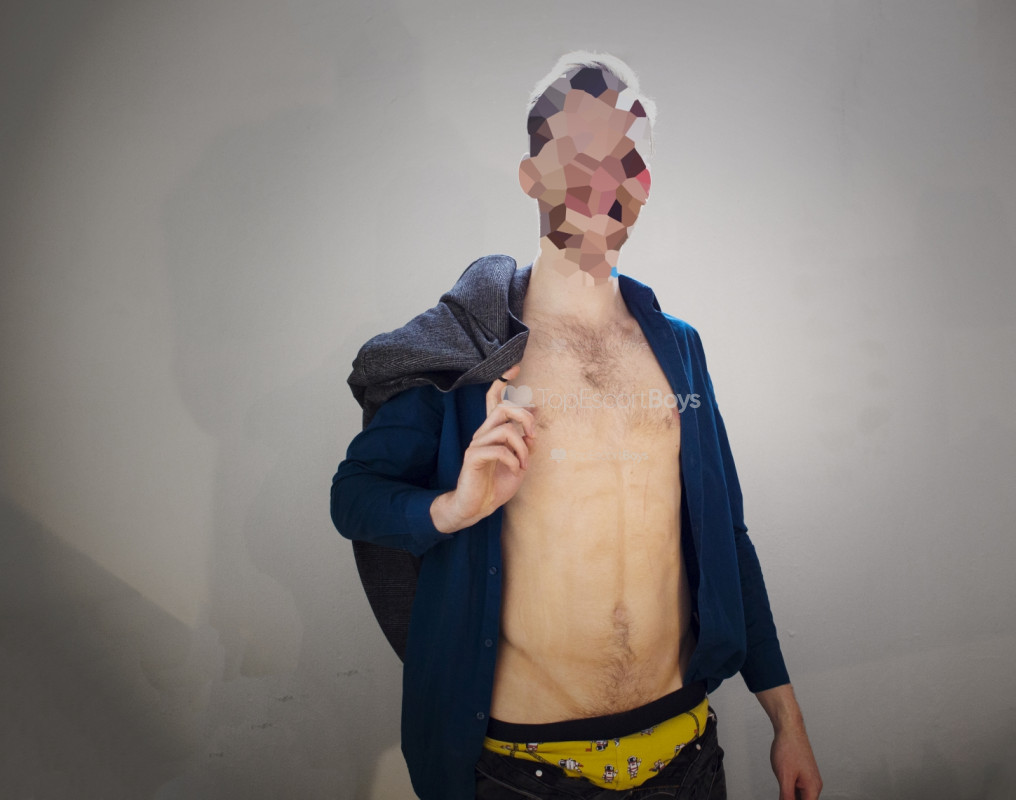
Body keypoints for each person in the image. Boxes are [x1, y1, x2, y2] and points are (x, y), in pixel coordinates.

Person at [331, 52, 822, 800]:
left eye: (625, 159)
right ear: (532, 175)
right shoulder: (467, 352)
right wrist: (452, 509)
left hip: (687, 754)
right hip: (524, 774)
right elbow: (355, 495)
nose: (603, 180)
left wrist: (787, 719)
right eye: (578, 155)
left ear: (643, 186)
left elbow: (730, 538)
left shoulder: (680, 350)